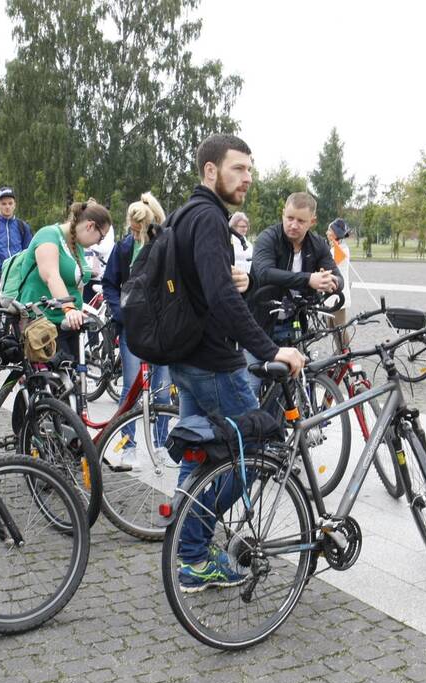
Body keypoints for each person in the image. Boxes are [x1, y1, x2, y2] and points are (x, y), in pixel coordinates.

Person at [170, 133, 305, 592]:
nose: (247, 177)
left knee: (199, 456)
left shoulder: (184, 215)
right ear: (211, 171)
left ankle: (186, 549)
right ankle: (192, 554)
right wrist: (270, 350)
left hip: (184, 357)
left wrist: (232, 282)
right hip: (212, 361)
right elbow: (220, 297)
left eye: (249, 169)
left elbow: (207, 285)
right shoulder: (209, 218)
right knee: (259, 453)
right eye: (238, 169)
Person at [246, 192, 343, 392]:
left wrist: (330, 281)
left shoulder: (318, 245)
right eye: (290, 218)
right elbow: (264, 273)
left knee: (285, 390)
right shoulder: (268, 237)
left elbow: (338, 278)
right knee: (250, 387)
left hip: (294, 324)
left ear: (312, 221)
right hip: (259, 324)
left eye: (301, 221)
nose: (293, 224)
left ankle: (275, 423)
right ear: (283, 214)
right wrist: (309, 279)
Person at [102, 192, 171, 466]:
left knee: (163, 389)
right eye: (131, 228)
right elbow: (109, 283)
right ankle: (126, 444)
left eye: (139, 229)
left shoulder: (164, 247)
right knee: (130, 386)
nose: (135, 233)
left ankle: (162, 444)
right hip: (132, 327)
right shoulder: (123, 248)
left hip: (161, 328)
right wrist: (119, 313)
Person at [15, 199, 111, 361]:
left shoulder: (76, 245)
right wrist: (69, 308)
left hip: (70, 323)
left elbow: (78, 282)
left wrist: (77, 310)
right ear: (89, 226)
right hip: (43, 323)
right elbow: (51, 275)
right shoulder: (48, 235)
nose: (99, 242)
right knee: (54, 382)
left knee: (74, 380)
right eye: (101, 237)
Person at [326, 217, 353, 344]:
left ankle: (346, 356)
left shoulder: (341, 249)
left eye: (329, 230)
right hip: (330, 295)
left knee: (340, 328)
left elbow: (330, 264)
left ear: (335, 233)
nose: (327, 233)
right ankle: (339, 354)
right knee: (331, 327)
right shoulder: (334, 248)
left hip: (339, 294)